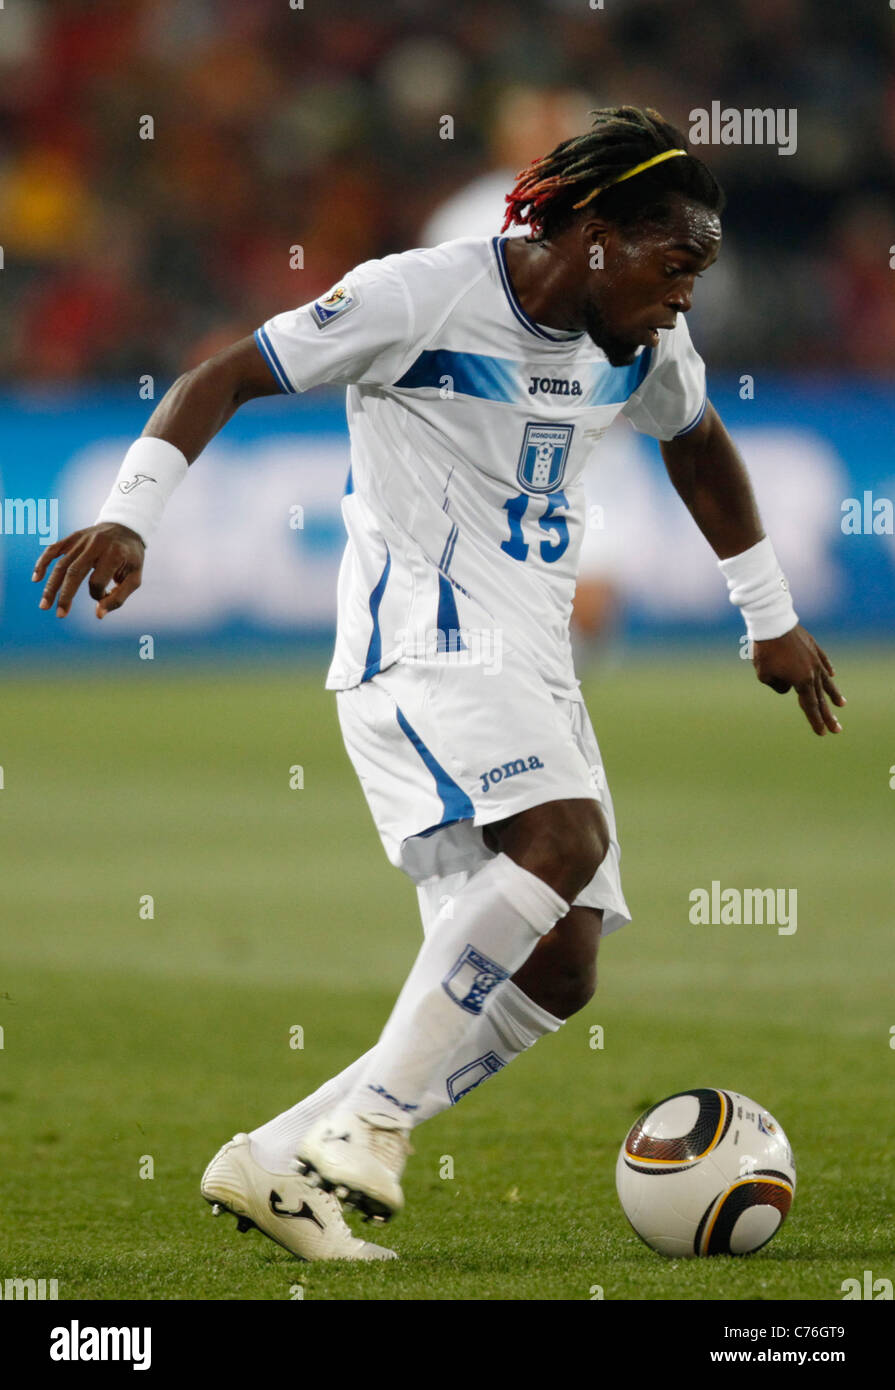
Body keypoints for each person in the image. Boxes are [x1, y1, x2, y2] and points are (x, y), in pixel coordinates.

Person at [33, 106, 845, 1264]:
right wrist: (129, 512)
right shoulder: (419, 296)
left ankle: (274, 1156)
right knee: (557, 840)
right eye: (676, 264)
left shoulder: (643, 345)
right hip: (419, 641)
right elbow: (225, 374)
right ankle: (372, 1124)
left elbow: (700, 442)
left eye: (699, 274)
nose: (686, 297)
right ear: (600, 234)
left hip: (533, 656)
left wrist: (770, 617)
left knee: (561, 968)